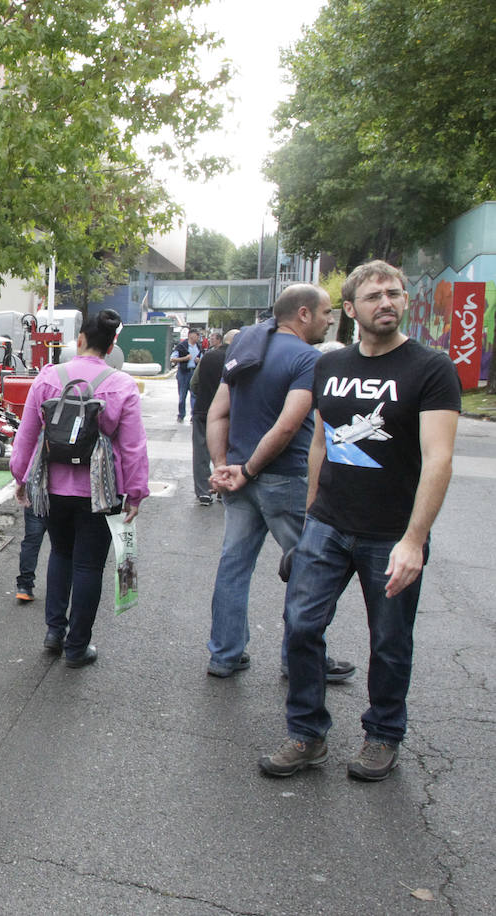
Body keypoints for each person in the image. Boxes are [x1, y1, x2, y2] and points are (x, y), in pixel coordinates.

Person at [260, 261, 460, 781]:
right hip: (327, 524)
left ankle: (383, 734)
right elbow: (321, 445)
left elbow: (438, 459)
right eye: (373, 296)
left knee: (389, 642)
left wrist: (414, 541)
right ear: (350, 309)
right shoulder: (329, 366)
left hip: (392, 532)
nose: (386, 302)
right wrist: (309, 520)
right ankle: (307, 734)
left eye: (394, 293)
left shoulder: (430, 369)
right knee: (302, 627)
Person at [204, 284, 356, 682]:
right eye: (326, 312)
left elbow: (217, 413)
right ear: (303, 314)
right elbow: (289, 425)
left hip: (238, 477)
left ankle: (224, 654)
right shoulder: (309, 360)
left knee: (233, 565)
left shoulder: (243, 350)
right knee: (309, 569)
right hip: (283, 479)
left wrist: (224, 466)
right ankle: (300, 661)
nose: (329, 320)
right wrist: (249, 470)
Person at [9, 309, 149, 666]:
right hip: (100, 494)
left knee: (60, 554)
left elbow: (26, 435)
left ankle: (54, 632)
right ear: (111, 344)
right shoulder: (121, 385)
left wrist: (20, 477)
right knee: (88, 567)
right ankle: (77, 647)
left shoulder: (47, 379)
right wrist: (135, 492)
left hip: (53, 488)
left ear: (80, 341)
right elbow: (133, 446)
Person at [190, 329, 231, 505]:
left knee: (201, 451)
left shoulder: (208, 357)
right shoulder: (241, 360)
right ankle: (224, 489)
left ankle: (204, 491)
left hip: (203, 410)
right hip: (230, 413)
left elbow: (194, 384)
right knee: (229, 449)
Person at [170, 329, 202, 422]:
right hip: (183, 373)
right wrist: (185, 358)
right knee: (182, 395)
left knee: (194, 395)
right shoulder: (182, 346)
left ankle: (193, 415)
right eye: (197, 335)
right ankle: (181, 414)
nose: (198, 337)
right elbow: (172, 359)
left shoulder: (198, 347)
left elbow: (203, 358)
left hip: (194, 373)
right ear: (191, 335)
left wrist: (199, 361)